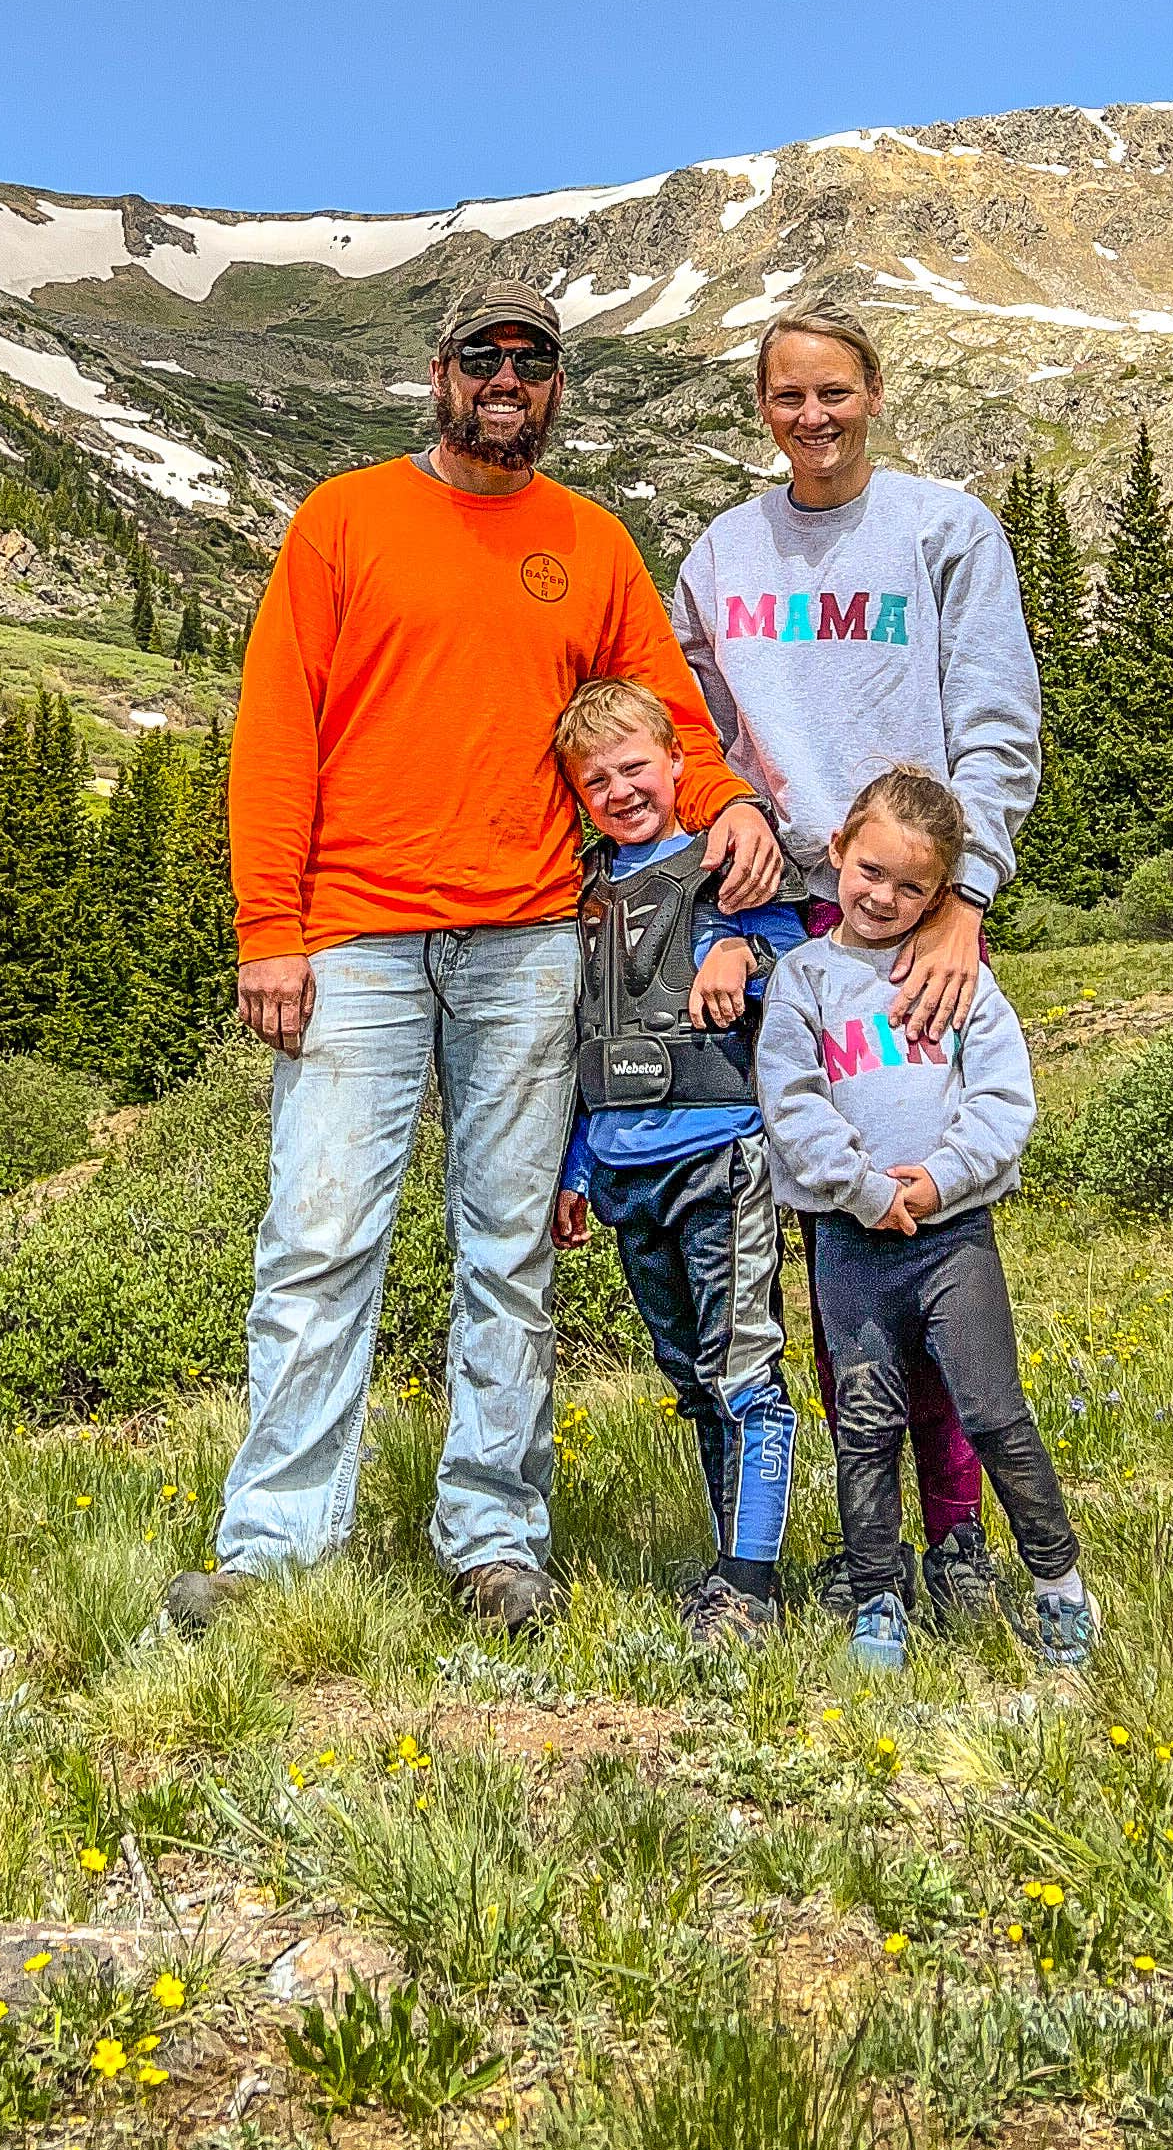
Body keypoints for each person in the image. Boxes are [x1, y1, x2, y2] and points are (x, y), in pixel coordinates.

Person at [171, 283, 778, 1635]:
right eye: (484, 359)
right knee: (321, 1240)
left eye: (535, 363)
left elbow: (665, 712)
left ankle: (496, 1540)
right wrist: (267, 929)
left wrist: (724, 795)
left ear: (558, 387)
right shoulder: (344, 520)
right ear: (438, 375)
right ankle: (274, 1551)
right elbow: (276, 728)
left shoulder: (591, 541)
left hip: (525, 939)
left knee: (509, 1246)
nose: (510, 381)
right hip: (353, 940)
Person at [672, 309, 1042, 1615]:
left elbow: (997, 728)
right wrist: (728, 817)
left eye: (834, 392)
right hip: (788, 934)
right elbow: (695, 728)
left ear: (874, 395)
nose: (812, 416)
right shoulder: (723, 554)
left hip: (914, 922)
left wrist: (965, 901)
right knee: (832, 1261)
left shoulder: (945, 532)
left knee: (931, 1232)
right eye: (787, 395)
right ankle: (872, 1548)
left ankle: (960, 1544)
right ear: (761, 406)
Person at [757, 763, 1097, 1675]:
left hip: (952, 1241)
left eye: (913, 887)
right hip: (850, 1241)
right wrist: (869, 1192)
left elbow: (1001, 1105)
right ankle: (877, 1597)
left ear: (942, 893)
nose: (884, 897)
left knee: (992, 1411)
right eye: (870, 872)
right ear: (837, 852)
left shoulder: (964, 986)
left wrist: (936, 1185)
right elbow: (791, 1106)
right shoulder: (803, 981)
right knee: (863, 1423)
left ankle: (1059, 1584)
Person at [546, 675, 805, 1645]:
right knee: (690, 1374)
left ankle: (752, 1581)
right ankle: (732, 1564)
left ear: (676, 764)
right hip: (622, 1170)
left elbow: (800, 960)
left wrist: (741, 951)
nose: (618, 790)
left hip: (719, 1156)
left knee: (743, 1368)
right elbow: (588, 1049)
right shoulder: (585, 894)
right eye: (595, 777)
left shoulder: (721, 869)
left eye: (634, 768)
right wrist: (575, 1173)